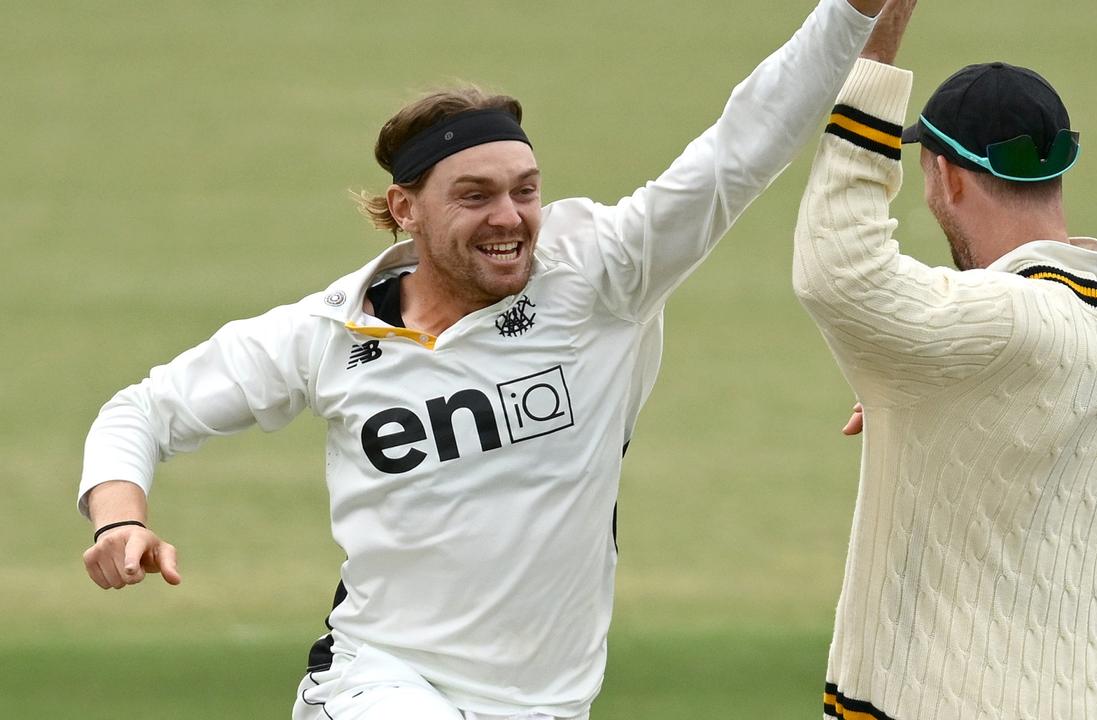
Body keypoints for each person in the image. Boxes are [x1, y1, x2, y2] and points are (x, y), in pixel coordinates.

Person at [77, 1, 889, 718]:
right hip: (378, 682)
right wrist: (122, 520)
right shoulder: (329, 333)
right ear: (406, 209)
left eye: (525, 189)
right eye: (475, 196)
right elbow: (144, 411)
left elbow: (744, 144)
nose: (511, 218)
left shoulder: (603, 274)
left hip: (549, 698)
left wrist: (853, 9)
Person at [791, 2, 1097, 718]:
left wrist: (874, 54)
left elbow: (837, 269)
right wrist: (963, 429)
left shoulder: (997, 320)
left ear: (945, 177)